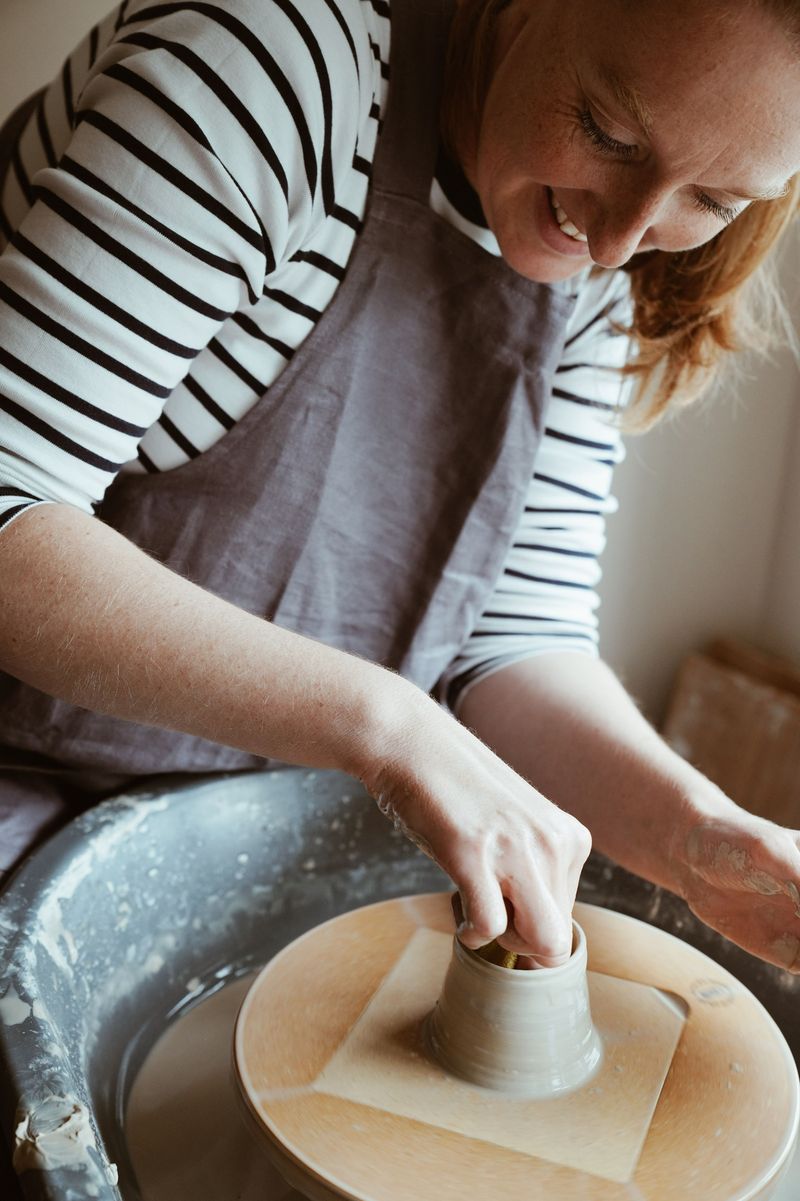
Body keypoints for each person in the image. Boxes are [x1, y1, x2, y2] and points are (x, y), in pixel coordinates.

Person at [0, 0, 798, 977]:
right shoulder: (276, 62)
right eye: (607, 132)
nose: (621, 237)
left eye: (713, 199)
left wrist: (694, 831)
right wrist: (393, 730)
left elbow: (515, 641)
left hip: (229, 835)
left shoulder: (598, 244)